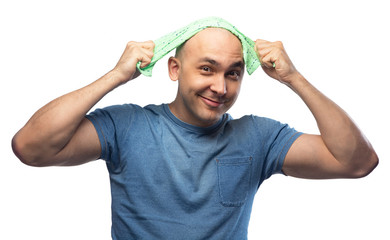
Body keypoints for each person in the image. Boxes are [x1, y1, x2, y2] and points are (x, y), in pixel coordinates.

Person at [12, 23, 378, 239]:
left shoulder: (260, 137)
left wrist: (294, 78)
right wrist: (116, 76)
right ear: (174, 69)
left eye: (233, 73)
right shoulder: (126, 126)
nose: (220, 87)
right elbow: (31, 147)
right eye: (207, 68)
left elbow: (357, 162)